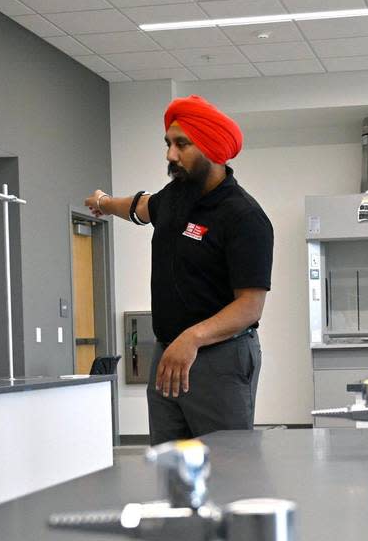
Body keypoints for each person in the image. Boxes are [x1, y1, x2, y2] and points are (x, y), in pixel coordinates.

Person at [85, 95, 273, 444]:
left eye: (182, 144)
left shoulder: (244, 216)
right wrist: (104, 203)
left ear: (212, 148)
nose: (171, 155)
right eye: (169, 144)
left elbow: (250, 306)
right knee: (169, 463)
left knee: (225, 463)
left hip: (220, 355)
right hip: (168, 352)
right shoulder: (174, 197)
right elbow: (141, 206)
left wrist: (192, 338)